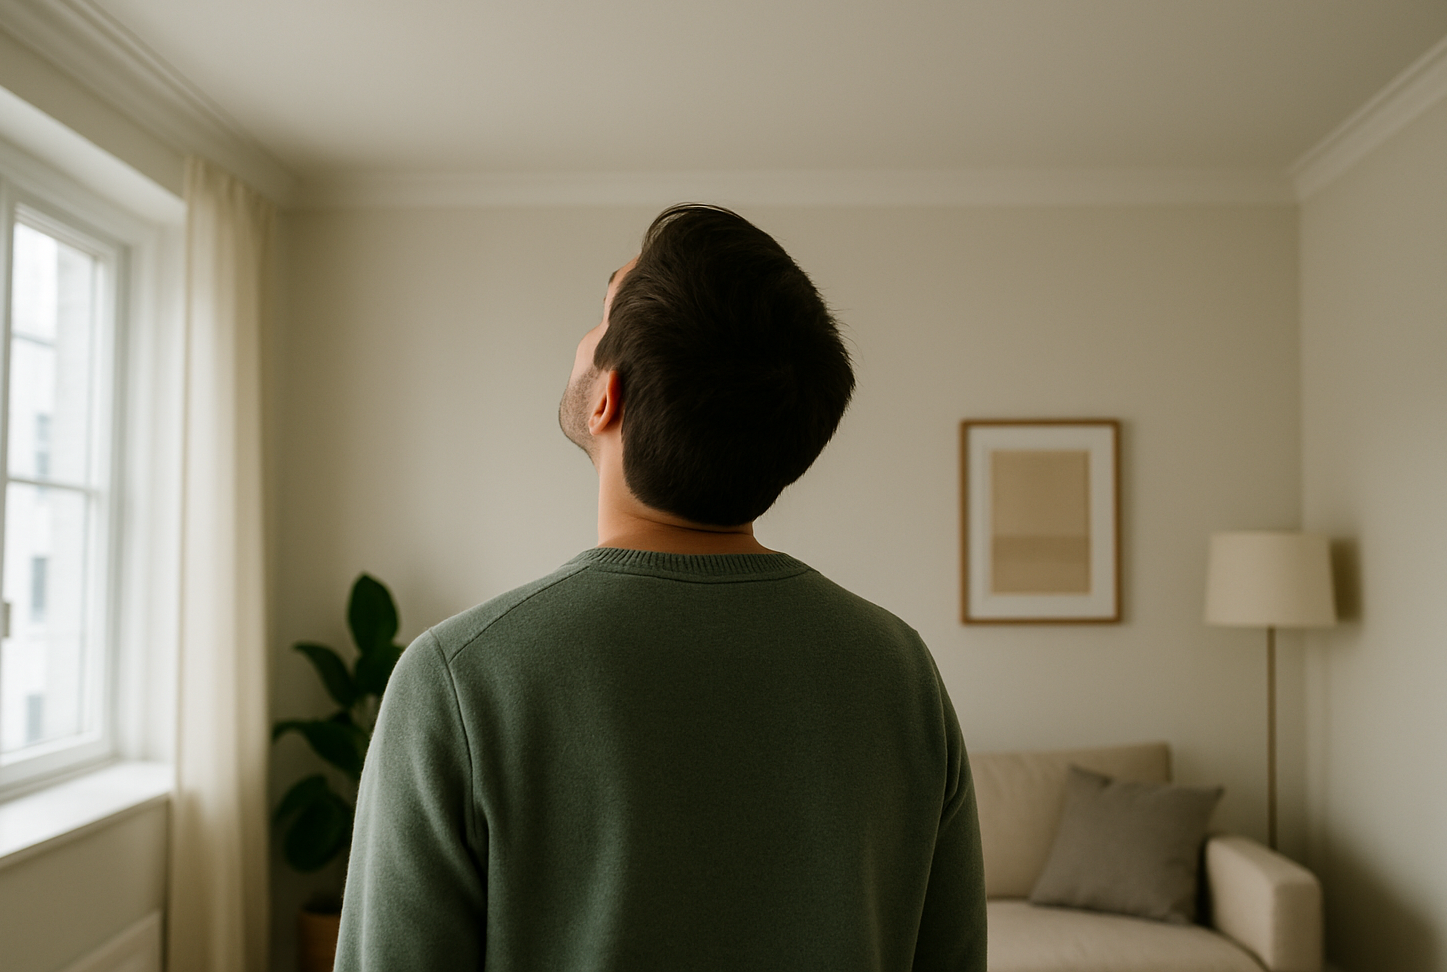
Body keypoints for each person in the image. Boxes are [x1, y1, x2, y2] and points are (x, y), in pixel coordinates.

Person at [335, 204, 985, 971]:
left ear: (608, 395)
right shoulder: (899, 673)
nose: (583, 334)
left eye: (601, 313)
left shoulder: (458, 680)